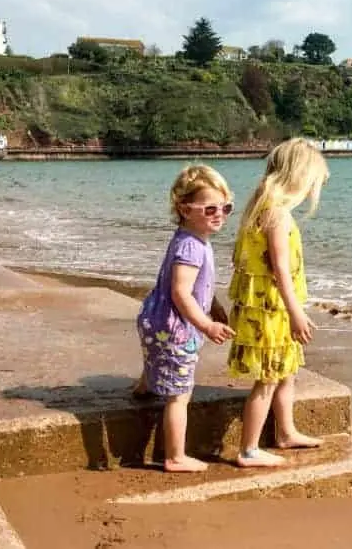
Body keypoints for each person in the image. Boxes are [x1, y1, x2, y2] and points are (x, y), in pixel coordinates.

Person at [228, 138, 329, 467]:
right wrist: (296, 312)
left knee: (287, 373)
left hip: (270, 308)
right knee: (268, 380)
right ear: (299, 178)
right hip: (273, 310)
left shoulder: (261, 208)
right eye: (314, 182)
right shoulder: (277, 215)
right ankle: (248, 450)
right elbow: (280, 270)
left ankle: (285, 432)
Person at [133, 164, 236, 473]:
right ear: (184, 208)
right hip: (175, 328)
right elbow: (181, 292)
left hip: (156, 319)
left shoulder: (191, 237)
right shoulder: (192, 246)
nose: (220, 214)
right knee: (180, 395)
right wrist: (205, 324)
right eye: (210, 208)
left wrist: (213, 305)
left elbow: (195, 286)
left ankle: (145, 385)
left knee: (157, 356)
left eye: (226, 207)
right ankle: (175, 456)